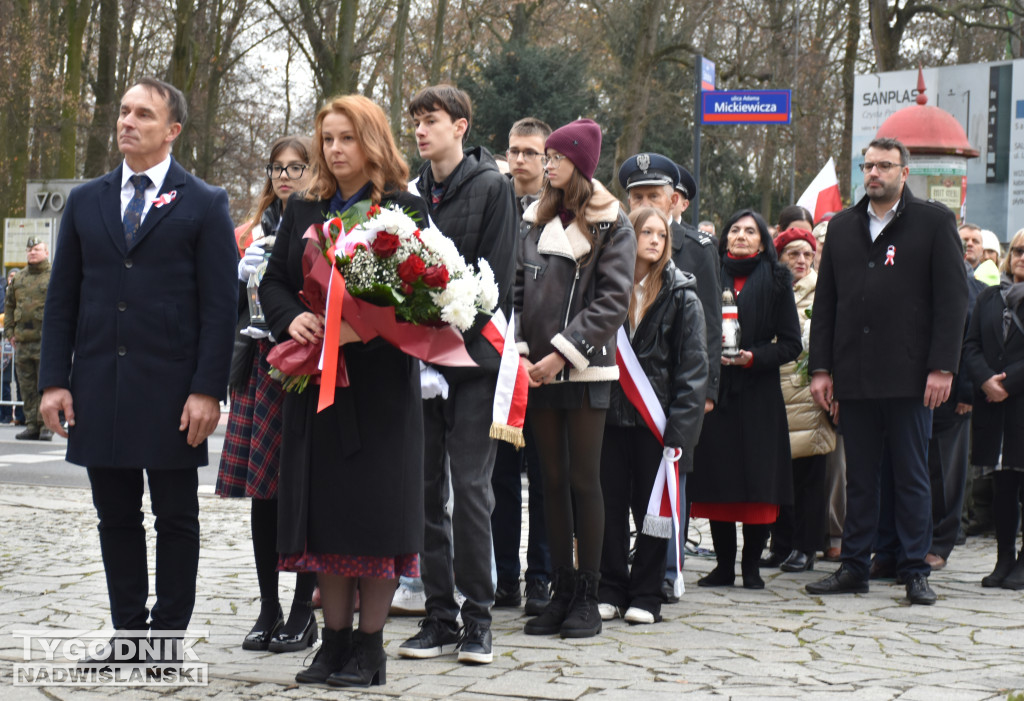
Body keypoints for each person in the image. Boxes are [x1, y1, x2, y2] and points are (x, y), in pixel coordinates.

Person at [39, 77, 237, 668]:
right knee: (115, 515)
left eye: (143, 114)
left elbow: (220, 307)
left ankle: (165, 641)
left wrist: (207, 389)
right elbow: (62, 298)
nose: (127, 122)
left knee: (176, 515)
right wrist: (54, 380)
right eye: (124, 112)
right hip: (99, 385)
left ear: (172, 130)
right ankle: (129, 635)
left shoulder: (204, 202)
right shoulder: (87, 200)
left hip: (174, 391)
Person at [259, 95, 428, 687]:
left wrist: (363, 331)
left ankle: (370, 649)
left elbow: (424, 300)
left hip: (379, 392)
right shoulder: (305, 206)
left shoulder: (405, 209)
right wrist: (291, 320)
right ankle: (331, 645)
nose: (334, 149)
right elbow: (274, 282)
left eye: (347, 138)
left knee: (377, 521)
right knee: (327, 521)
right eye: (327, 138)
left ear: (373, 141)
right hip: (317, 388)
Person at [805, 137, 968, 606]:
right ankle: (855, 565)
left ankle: (915, 569)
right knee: (861, 475)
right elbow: (828, 304)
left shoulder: (934, 223)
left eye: (884, 166)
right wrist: (821, 369)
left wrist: (943, 366)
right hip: (853, 375)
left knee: (911, 474)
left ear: (904, 172)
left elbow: (953, 301)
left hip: (912, 376)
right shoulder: (842, 227)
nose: (873, 173)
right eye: (868, 165)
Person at [397, 85, 517, 666]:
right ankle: (438, 616)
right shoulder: (409, 194)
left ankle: (478, 620)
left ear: (461, 126)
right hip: (418, 368)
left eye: (432, 120)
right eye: (416, 121)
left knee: (470, 491)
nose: (421, 130)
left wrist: (450, 345)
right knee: (422, 494)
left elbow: (496, 281)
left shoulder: (494, 187)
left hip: (474, 366)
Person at [515, 118, 636, 638]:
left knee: (586, 481)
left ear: (579, 163)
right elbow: (517, 292)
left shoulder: (614, 223)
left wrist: (562, 354)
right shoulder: (533, 218)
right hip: (537, 370)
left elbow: (612, 300)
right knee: (552, 482)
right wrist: (523, 354)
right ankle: (561, 590)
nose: (547, 164)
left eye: (557, 156)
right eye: (547, 157)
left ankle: (589, 592)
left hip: (585, 369)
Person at [215, 135, 319, 653]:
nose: (284, 176)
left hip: (304, 369)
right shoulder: (249, 235)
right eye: (277, 168)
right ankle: (267, 606)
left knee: (302, 492)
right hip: (258, 369)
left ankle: (305, 610)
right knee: (264, 494)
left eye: (296, 167)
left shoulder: (324, 226)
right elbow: (231, 308)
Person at [615, 152, 721, 602]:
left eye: (652, 195)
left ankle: (665, 572)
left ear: (674, 200)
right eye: (636, 196)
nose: (644, 201)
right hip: (623, 402)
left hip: (668, 399)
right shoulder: (614, 248)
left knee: (665, 485)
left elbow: (709, 328)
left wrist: (707, 393)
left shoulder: (696, 248)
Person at [598, 206, 707, 625]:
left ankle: (646, 594)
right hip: (607, 418)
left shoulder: (683, 295)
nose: (656, 240)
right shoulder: (607, 288)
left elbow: (693, 369)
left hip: (655, 425)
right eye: (647, 231)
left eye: (662, 234)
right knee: (608, 508)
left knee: (654, 513)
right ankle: (610, 588)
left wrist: (680, 430)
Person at [689, 209, 802, 590]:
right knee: (720, 481)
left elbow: (791, 343)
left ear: (763, 240)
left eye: (750, 231)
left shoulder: (776, 280)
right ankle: (723, 566)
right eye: (734, 229)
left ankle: (750, 566)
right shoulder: (709, 274)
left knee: (758, 483)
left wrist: (755, 357)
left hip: (758, 395)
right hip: (717, 393)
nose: (740, 235)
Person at [492, 116, 552, 615]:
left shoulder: (563, 209)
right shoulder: (495, 201)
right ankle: (504, 577)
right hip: (497, 358)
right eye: (514, 150)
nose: (520, 159)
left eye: (531, 151)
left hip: (547, 360)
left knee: (548, 476)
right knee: (499, 479)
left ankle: (542, 577)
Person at [764, 227, 835, 573]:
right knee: (778, 475)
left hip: (807, 397)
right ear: (780, 257)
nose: (801, 260)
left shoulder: (823, 291)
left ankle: (806, 547)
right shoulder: (772, 289)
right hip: (774, 392)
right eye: (793, 254)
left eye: (807, 254)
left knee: (808, 477)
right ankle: (780, 543)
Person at [963, 229, 1024, 589]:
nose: (1021, 256)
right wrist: (985, 379)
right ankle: (1003, 559)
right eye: (1017, 249)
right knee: (1003, 486)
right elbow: (970, 345)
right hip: (994, 407)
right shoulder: (989, 297)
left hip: (1019, 404)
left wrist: (1007, 383)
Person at [6, 238, 53, 441]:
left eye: (36, 249)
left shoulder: (54, 276)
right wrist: (10, 332)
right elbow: (9, 306)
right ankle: (32, 425)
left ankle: (46, 426)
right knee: (26, 386)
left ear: (46, 252)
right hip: (23, 341)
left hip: (46, 340)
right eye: (29, 250)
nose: (32, 253)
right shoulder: (19, 278)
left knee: (45, 385)